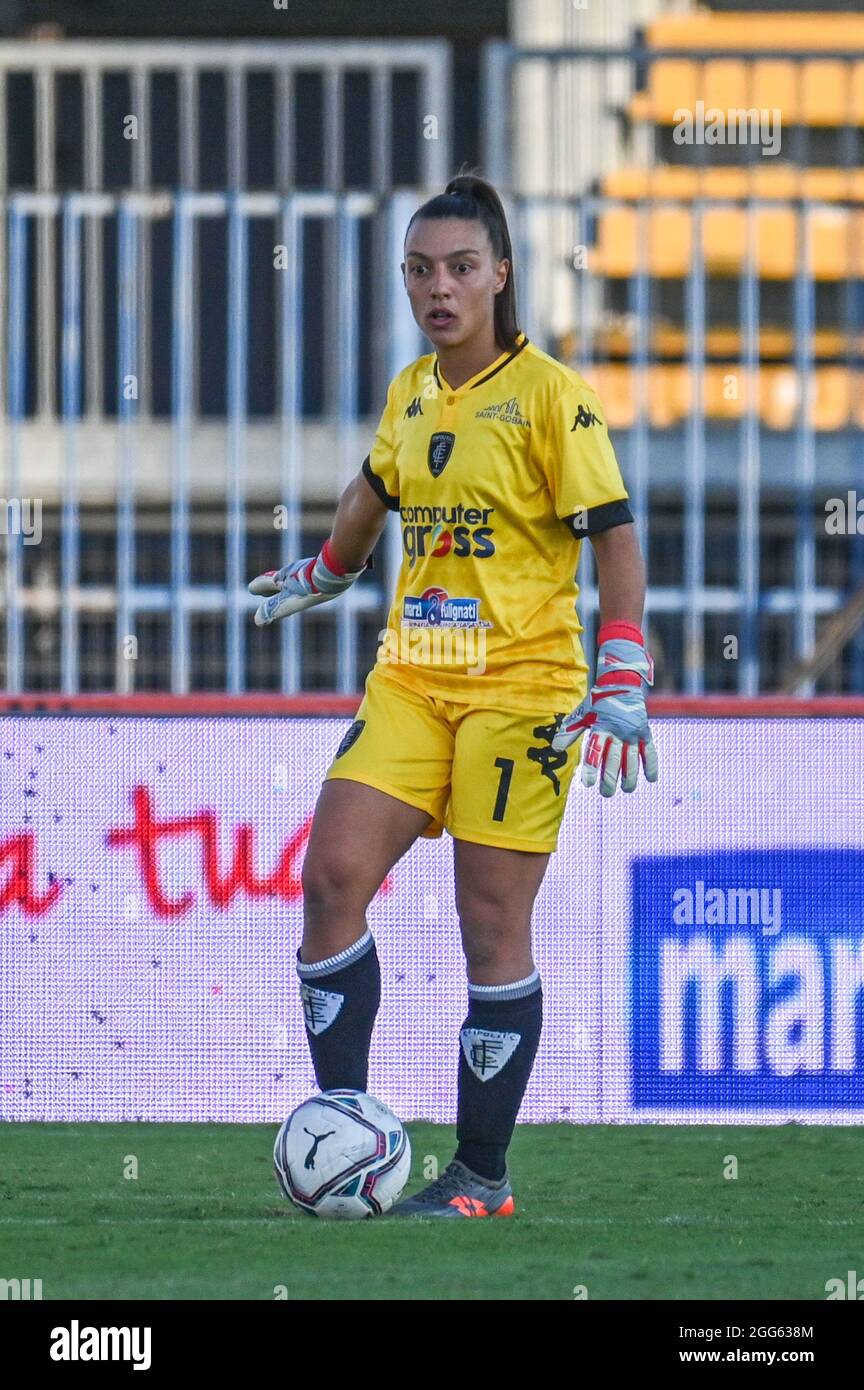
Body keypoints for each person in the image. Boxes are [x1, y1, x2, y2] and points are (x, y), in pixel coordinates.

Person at [250, 171, 658, 1218]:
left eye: (462, 268)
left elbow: (612, 534)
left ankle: (481, 1175)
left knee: (490, 925)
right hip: (413, 680)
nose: (441, 288)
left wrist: (622, 663)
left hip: (523, 689)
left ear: (501, 276)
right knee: (333, 872)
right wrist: (329, 568)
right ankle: (350, 1132)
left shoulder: (552, 398)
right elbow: (377, 490)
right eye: (423, 270)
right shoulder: (412, 390)